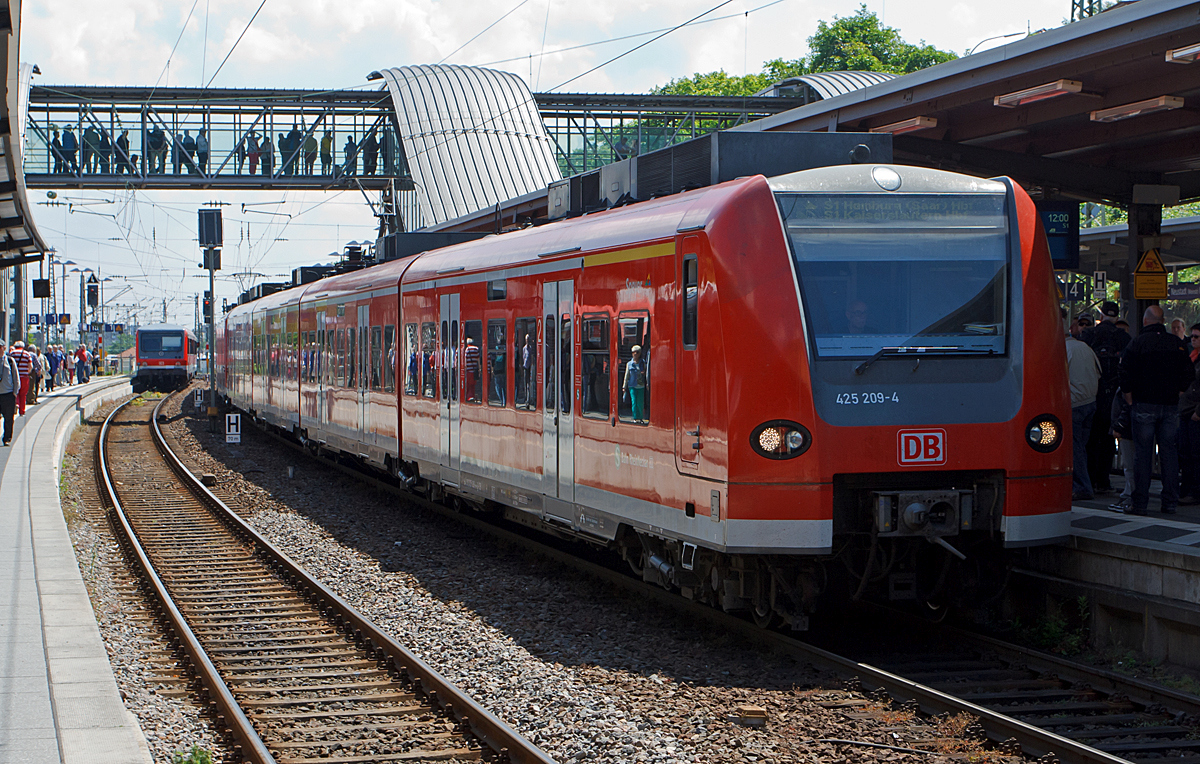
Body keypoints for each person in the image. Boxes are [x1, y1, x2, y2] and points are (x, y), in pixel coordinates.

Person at [1118, 305, 1194, 515]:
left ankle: (1140, 502)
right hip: (1170, 406)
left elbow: (1124, 372)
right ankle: (1169, 502)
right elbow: (1188, 374)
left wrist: (1129, 396)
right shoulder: (1176, 344)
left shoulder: (1138, 343)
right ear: (1163, 321)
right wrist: (1178, 392)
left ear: (1145, 321)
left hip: (1143, 404)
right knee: (1169, 454)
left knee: (1143, 455)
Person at [1082, 301, 1131, 494]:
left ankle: (1090, 477)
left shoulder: (1089, 335)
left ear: (1100, 316)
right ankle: (1104, 479)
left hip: (1092, 394)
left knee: (1091, 438)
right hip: (1114, 397)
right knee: (1109, 438)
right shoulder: (1124, 338)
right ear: (1117, 317)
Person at [1177, 324, 1200, 505]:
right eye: (1192, 336)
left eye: (1197, 337)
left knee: (1195, 453)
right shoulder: (1191, 357)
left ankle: (1194, 490)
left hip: (1194, 412)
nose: (1193, 339)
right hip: (1186, 410)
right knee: (1185, 451)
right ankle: (1186, 488)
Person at [9, 340, 34, 416]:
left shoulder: (12, 353)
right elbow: (30, 366)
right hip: (24, 376)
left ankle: (16, 405)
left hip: (14, 377)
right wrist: (27, 372)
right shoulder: (27, 354)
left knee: (15, 392)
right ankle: (22, 410)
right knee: (23, 394)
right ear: (23, 347)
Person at [623, 345, 647, 422]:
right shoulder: (629, 364)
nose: (635, 354)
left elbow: (646, 374)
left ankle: (640, 417)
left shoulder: (643, 363)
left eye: (637, 352)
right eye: (633, 352)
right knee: (634, 402)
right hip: (632, 385)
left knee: (640, 403)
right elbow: (626, 375)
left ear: (639, 353)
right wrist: (624, 386)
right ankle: (635, 417)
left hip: (641, 385)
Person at [0, 338, 17, 445]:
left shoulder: (10, 361)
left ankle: (6, 438)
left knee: (8, 418)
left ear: (4, 348)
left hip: (8, 394)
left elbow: (16, 377)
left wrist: (15, 392)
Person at [463, 337, 481, 402]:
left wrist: (465, 368)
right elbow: (478, 360)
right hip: (474, 370)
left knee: (468, 384)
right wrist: (479, 368)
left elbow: (465, 359)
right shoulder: (476, 349)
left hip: (468, 370)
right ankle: (472, 395)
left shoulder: (467, 349)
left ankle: (469, 396)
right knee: (473, 384)